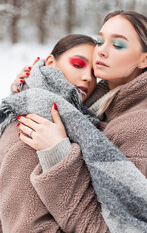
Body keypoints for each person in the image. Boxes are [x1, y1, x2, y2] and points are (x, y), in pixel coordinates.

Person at [12, 10, 147, 233]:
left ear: (145, 59)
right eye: (100, 40)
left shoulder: (142, 126)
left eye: (117, 45)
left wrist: (58, 153)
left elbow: (114, 227)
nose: (101, 50)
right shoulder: (102, 103)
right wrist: (34, 85)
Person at [0, 34, 109, 233]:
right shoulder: (32, 128)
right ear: (50, 63)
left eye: (94, 73)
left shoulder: (75, 118)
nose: (87, 77)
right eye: (78, 64)